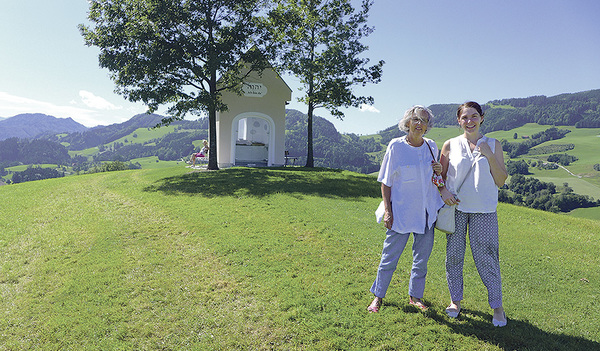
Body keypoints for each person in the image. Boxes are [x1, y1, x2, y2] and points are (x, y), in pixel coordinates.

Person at [367, 106, 445, 313]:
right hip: (400, 212)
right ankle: (378, 296)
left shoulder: (432, 146)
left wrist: (438, 170)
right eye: (415, 119)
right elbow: (386, 181)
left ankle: (415, 297)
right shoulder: (396, 146)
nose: (419, 124)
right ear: (407, 123)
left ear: (428, 127)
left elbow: (434, 179)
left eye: (424, 121)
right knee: (389, 258)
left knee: (421, 260)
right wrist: (388, 210)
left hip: (426, 213)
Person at [439, 101, 508, 327]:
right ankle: (455, 301)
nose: (470, 121)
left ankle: (497, 308)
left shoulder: (493, 144)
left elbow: (501, 180)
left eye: (474, 116)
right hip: (456, 209)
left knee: (488, 258)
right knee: (454, 257)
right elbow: (439, 178)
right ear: (458, 121)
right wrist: (444, 192)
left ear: (482, 118)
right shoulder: (450, 145)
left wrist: (488, 155)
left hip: (485, 210)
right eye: (465, 117)